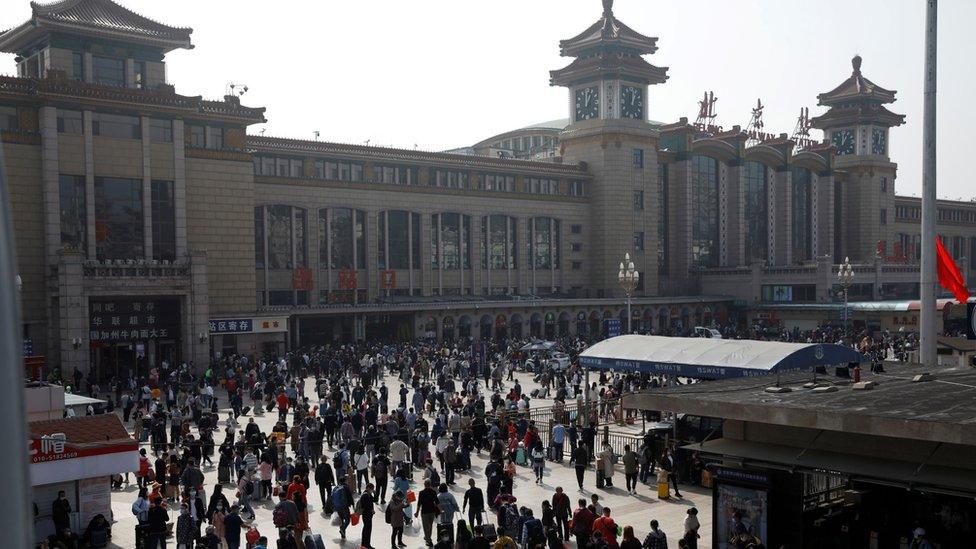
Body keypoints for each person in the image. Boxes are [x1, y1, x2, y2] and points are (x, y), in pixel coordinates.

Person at [416, 480, 440, 546]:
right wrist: (441, 510)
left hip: (424, 512)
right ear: (430, 484)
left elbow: (419, 503)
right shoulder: (433, 492)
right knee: (430, 526)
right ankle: (428, 537)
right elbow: (437, 502)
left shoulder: (421, 493)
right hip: (432, 511)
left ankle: (428, 540)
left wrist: (417, 512)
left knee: (426, 526)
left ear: (424, 484)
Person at [357, 483, 377, 549]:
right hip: (366, 515)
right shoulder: (365, 495)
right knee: (367, 530)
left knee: (366, 529)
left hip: (368, 515)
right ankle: (366, 545)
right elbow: (365, 506)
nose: (372, 490)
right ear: (368, 488)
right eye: (371, 489)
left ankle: (365, 544)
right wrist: (371, 510)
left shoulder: (368, 494)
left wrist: (375, 493)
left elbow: (375, 500)